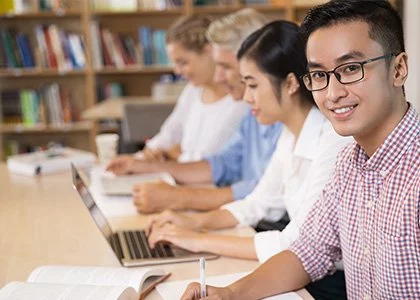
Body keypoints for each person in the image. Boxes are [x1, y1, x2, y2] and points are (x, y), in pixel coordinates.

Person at [179, 1, 420, 299]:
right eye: (319, 75)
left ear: (399, 69)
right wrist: (228, 294)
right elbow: (307, 253)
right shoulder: (350, 162)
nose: (332, 93)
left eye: (350, 69)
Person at [147, 20, 351, 298]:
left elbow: (296, 244)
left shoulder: (333, 140)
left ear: (290, 83)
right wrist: (193, 223)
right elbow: (258, 203)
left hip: (330, 285)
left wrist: (197, 240)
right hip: (303, 275)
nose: (245, 97)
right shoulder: (290, 135)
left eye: (253, 85)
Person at [109, 9, 283, 214]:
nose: (218, 77)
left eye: (225, 66)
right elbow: (220, 165)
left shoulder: (277, 118)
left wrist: (178, 196)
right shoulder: (252, 116)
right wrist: (144, 166)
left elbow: (264, 193)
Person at [106, 16, 248, 171]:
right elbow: (168, 135)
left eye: (183, 62)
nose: (177, 71)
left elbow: (209, 160)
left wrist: (174, 156)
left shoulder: (241, 99)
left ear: (209, 51)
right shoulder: (192, 91)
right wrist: (143, 157)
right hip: (181, 177)